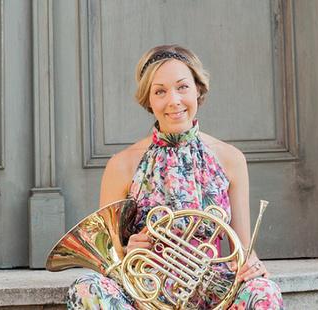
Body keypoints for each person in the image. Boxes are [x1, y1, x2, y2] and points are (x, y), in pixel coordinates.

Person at [66, 45, 284, 309]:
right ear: (148, 99)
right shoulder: (121, 165)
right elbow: (110, 258)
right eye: (160, 91)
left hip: (211, 292)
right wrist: (128, 250)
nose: (174, 101)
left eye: (182, 87)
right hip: (145, 296)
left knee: (264, 291)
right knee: (87, 287)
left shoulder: (230, 159)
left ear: (198, 89)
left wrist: (254, 268)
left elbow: (244, 252)